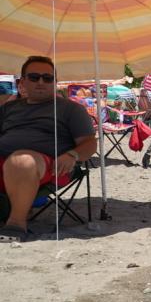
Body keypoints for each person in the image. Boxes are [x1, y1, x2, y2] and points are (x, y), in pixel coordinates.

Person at [0, 56, 97, 243]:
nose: (41, 82)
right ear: (22, 82)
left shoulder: (71, 109)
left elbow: (89, 143)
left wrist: (73, 154)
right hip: (5, 160)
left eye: (48, 78)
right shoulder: (8, 108)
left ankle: (16, 224)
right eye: (34, 77)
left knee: (21, 161)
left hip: (50, 166)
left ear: (55, 83)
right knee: (17, 160)